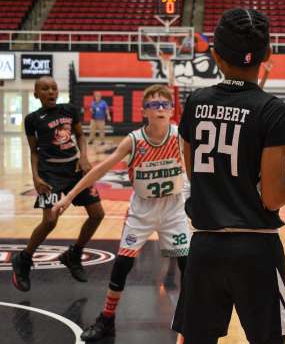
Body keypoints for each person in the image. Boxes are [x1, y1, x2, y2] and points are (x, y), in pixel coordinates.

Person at [172, 8, 285, 344]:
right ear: (268, 55)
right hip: (255, 249)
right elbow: (273, 197)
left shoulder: (195, 103)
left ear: (214, 56)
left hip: (205, 247)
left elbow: (193, 172)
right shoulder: (272, 111)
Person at [52, 84, 190, 342]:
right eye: (153, 105)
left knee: (188, 266)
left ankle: (191, 319)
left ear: (172, 110)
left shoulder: (180, 136)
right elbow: (100, 169)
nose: (159, 109)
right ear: (143, 111)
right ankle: (107, 319)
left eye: (164, 104)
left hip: (173, 210)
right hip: (142, 211)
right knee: (122, 265)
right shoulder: (134, 140)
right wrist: (70, 197)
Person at [12, 76, 105, 292]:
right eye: (45, 89)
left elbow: (81, 135)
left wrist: (84, 157)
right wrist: (35, 177)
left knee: (98, 214)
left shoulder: (69, 110)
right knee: (51, 220)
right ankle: (24, 259)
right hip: (49, 174)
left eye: (54, 88)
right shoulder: (32, 119)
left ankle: (74, 254)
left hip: (74, 169)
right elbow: (33, 151)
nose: (51, 92)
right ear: (36, 94)